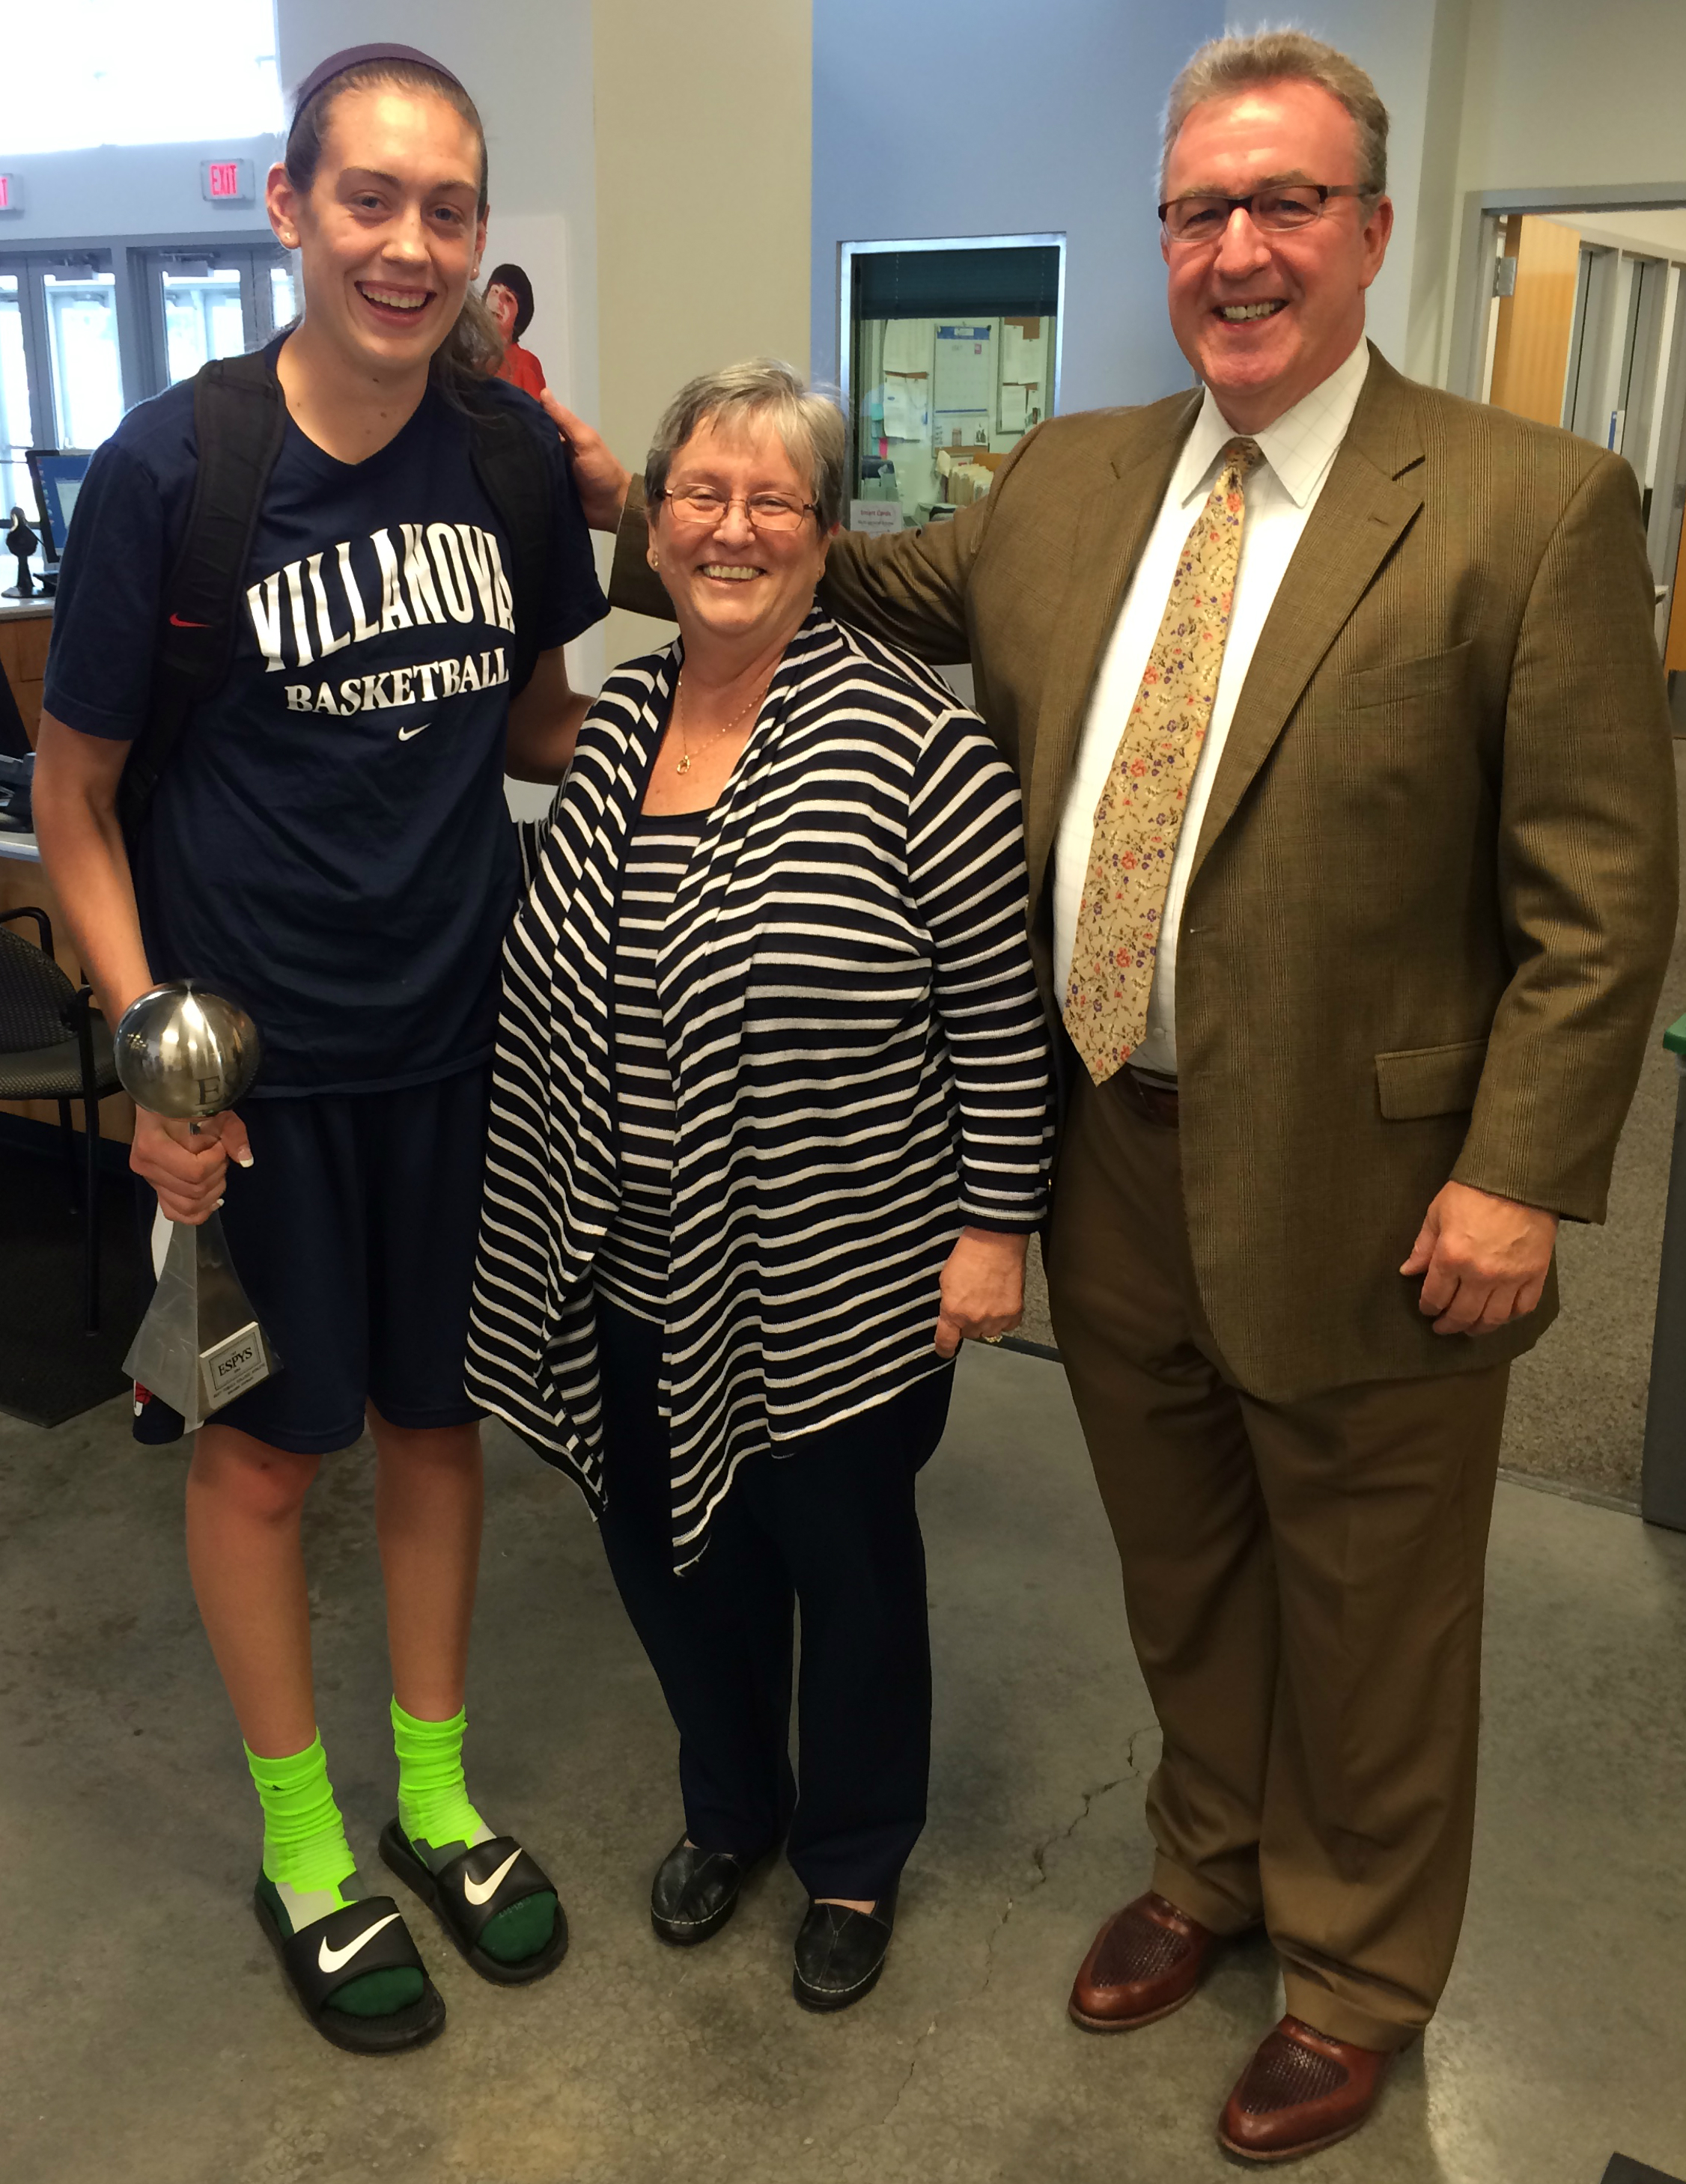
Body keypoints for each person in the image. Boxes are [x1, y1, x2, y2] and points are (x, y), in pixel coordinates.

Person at [553, 28, 1678, 2158]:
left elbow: (1605, 896)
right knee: (1181, 1563)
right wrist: (600, 475)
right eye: (1197, 210)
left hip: (1379, 1183)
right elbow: (801, 566)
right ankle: (1213, 1860)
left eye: (1280, 206)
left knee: (1368, 1592)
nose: (1235, 248)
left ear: (1363, 227)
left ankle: (1351, 1965)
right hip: (1109, 1159)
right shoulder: (1069, 481)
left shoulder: (1525, 507)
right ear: (1160, 233)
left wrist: (1517, 1170)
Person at [32, 43, 606, 2055]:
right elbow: (79, 791)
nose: (409, 241)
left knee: (444, 1425)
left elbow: (538, 726)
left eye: (447, 207)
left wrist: (716, 600)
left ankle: (433, 1798)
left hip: (464, 1046)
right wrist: (151, 1062)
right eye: (368, 198)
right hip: (255, 1090)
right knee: (274, 1457)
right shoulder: (172, 476)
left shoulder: (515, 465)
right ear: (288, 211)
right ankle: (305, 1843)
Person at [466, 359, 1051, 2012]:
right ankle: (728, 1808)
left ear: (821, 528)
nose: (731, 528)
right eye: (699, 495)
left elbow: (998, 1015)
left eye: (772, 499)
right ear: (653, 519)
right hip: (627, 1262)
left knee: (847, 1582)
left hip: (842, 1277)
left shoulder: (914, 740)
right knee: (671, 1563)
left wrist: (993, 1227)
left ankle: (853, 1856)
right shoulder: (623, 722)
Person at [485, 263, 547, 397]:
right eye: (494, 291)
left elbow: (532, 416)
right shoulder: (473, 364)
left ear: (519, 315)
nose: (498, 301)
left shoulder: (526, 364)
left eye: (508, 299)